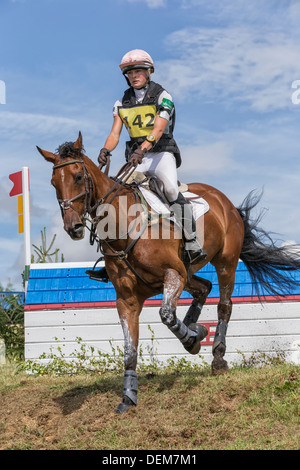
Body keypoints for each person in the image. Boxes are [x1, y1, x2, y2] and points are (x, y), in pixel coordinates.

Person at [89, 49, 206, 282]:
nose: (134, 76)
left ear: (149, 72)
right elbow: (115, 133)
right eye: (130, 72)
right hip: (136, 157)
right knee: (115, 196)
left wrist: (142, 150)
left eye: (139, 71)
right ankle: (110, 257)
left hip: (161, 153)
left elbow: (158, 129)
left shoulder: (164, 96)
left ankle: (192, 241)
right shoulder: (121, 102)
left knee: (171, 189)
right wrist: (105, 150)